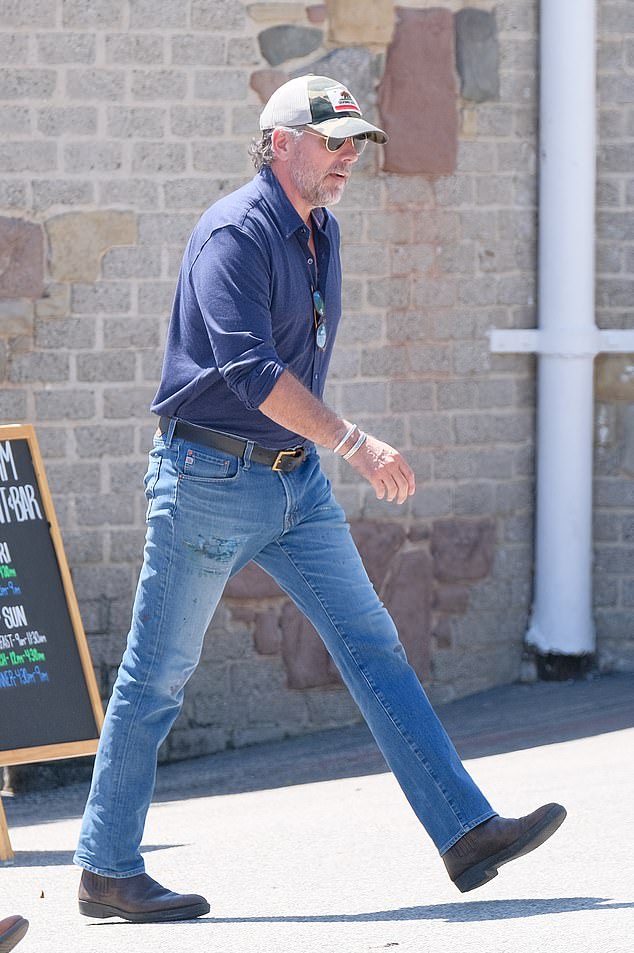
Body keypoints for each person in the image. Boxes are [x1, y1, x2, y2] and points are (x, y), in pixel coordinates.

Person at [73, 74, 566, 922]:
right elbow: (251, 370)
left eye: (353, 144)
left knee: (375, 645)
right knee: (158, 677)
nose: (346, 158)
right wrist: (355, 441)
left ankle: (465, 830)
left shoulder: (321, 232)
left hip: (293, 483)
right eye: (331, 141)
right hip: (207, 481)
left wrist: (318, 450)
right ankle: (105, 868)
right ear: (278, 144)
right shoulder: (231, 232)